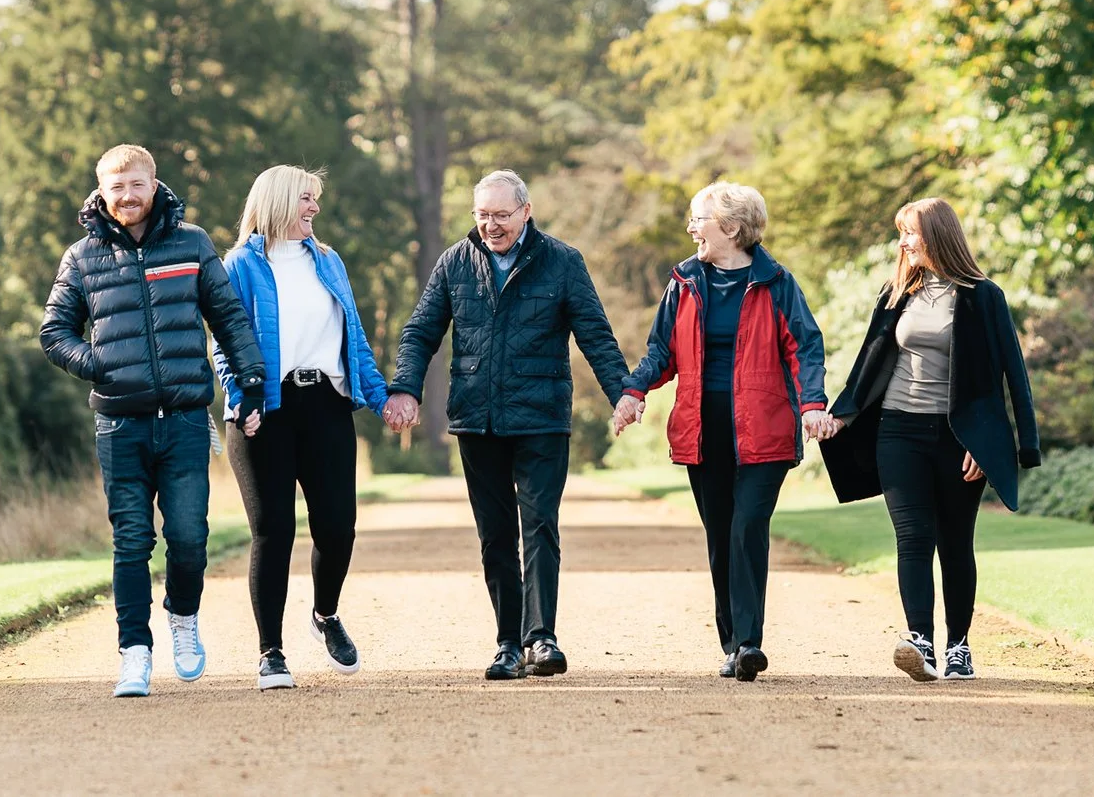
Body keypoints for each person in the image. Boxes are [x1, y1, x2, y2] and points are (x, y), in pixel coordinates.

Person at [383, 169, 632, 681]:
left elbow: (595, 334)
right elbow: (420, 331)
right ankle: (507, 643)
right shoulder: (455, 261)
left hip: (541, 417)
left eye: (501, 215)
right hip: (478, 419)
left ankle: (541, 638)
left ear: (526, 210)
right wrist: (405, 387)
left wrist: (622, 393)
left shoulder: (562, 262)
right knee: (495, 535)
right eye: (483, 215)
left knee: (539, 525)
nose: (491, 226)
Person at [39, 144, 265, 700]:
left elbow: (229, 317)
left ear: (153, 184)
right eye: (116, 188)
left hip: (186, 420)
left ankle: (183, 619)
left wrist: (253, 378)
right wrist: (100, 367)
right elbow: (54, 332)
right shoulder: (81, 256)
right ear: (101, 191)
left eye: (136, 185)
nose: (127, 197)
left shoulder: (191, 243)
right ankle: (134, 653)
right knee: (132, 540)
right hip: (120, 425)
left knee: (189, 538)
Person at [611, 181, 831, 680]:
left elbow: (805, 347)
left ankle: (750, 642)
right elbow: (661, 352)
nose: (691, 228)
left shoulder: (776, 283)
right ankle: (732, 644)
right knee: (720, 535)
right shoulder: (685, 282)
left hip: (764, 428)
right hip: (702, 427)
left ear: (731, 227)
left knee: (747, 526)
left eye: (698, 219)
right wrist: (633, 392)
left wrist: (813, 404)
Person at [823, 197, 1039, 684]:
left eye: (910, 233)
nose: (902, 243)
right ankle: (919, 640)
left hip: (957, 438)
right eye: (901, 233)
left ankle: (959, 647)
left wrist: (1000, 445)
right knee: (912, 536)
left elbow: (1012, 376)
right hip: (898, 430)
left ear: (937, 235)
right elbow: (870, 361)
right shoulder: (896, 291)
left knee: (955, 542)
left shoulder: (984, 296)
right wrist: (841, 414)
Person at [211, 164, 390, 692]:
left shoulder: (329, 262)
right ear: (279, 202)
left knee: (337, 527)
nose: (314, 208)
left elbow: (353, 339)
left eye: (315, 199)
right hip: (263, 410)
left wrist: (381, 400)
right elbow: (225, 339)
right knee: (274, 531)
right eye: (306, 199)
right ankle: (271, 652)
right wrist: (242, 399)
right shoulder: (239, 264)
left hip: (326, 405)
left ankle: (325, 615)